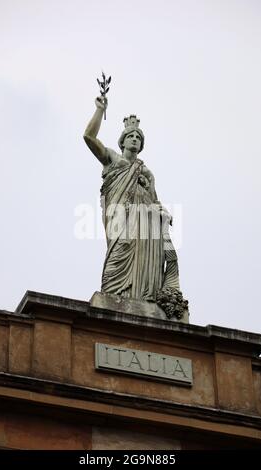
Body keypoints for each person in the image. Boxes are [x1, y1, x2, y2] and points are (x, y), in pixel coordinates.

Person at [83, 97, 188, 319]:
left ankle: (145, 301)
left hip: (145, 231)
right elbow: (89, 137)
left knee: (146, 266)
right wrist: (99, 110)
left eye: (138, 138)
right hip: (120, 225)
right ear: (122, 142)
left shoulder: (147, 173)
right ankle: (113, 298)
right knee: (115, 265)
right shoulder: (113, 159)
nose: (134, 139)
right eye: (130, 136)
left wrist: (163, 214)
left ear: (141, 144)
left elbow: (154, 201)